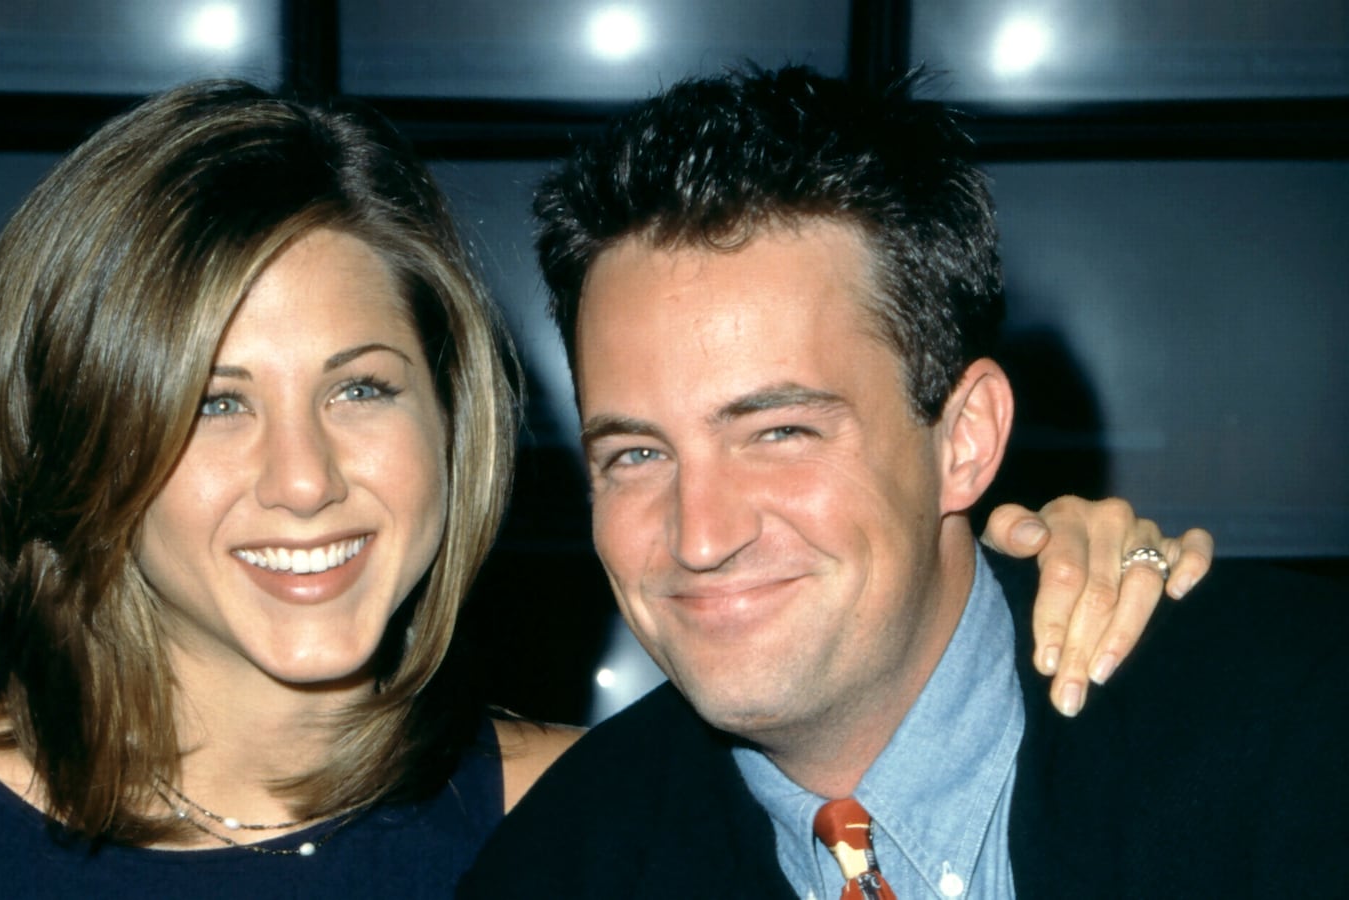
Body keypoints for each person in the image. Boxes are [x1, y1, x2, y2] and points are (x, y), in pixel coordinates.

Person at [0, 80, 1205, 899]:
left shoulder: (585, 822)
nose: (305, 478)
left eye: (363, 387)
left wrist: (1050, 566)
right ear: (85, 441)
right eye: (212, 403)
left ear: (459, 424)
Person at [459, 66, 1345, 898]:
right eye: (637, 455)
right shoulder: (557, 867)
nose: (699, 536)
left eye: (779, 432)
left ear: (964, 439)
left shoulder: (1297, 739)